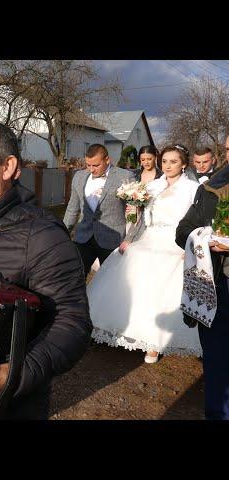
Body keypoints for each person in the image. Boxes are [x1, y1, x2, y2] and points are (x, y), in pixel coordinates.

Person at [0, 121, 92, 419]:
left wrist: (7, 376)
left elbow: (72, 325)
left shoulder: (42, 236)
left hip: (6, 409)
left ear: (8, 167)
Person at [88, 145, 202, 364]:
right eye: (165, 161)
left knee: (160, 290)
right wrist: (129, 239)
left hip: (175, 242)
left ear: (184, 164)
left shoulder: (192, 188)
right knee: (131, 276)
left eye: (174, 162)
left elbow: (196, 221)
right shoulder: (153, 186)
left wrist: (188, 247)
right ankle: (121, 327)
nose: (168, 166)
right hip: (148, 237)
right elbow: (141, 218)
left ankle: (154, 343)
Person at [175, 135, 229, 419]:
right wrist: (202, 238)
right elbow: (183, 230)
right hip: (217, 284)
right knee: (217, 359)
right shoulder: (210, 188)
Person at [63, 144, 135, 278]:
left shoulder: (125, 177)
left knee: (110, 281)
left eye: (95, 165)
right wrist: (63, 232)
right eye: (88, 165)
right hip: (83, 238)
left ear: (107, 160)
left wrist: (130, 238)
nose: (91, 169)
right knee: (74, 279)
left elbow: (134, 212)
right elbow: (73, 208)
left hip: (112, 240)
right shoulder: (79, 176)